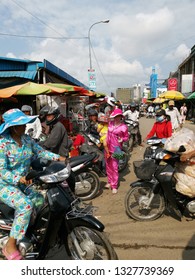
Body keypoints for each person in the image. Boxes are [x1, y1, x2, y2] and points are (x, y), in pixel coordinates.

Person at [0, 108, 66, 260]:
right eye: (21, 124)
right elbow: (2, 171)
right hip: (5, 186)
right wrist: (18, 179)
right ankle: (10, 245)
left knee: (42, 200)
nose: (25, 126)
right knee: (26, 205)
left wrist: (59, 158)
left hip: (23, 183)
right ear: (13, 127)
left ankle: (30, 233)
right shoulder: (3, 144)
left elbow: (41, 152)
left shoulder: (26, 139)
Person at [105, 108, 129, 194]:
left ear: (121, 117)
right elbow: (107, 133)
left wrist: (122, 139)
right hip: (107, 147)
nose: (116, 118)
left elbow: (126, 137)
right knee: (108, 165)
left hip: (117, 149)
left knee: (115, 167)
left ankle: (114, 185)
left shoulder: (123, 127)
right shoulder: (110, 123)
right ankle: (109, 181)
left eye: (118, 116)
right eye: (115, 116)